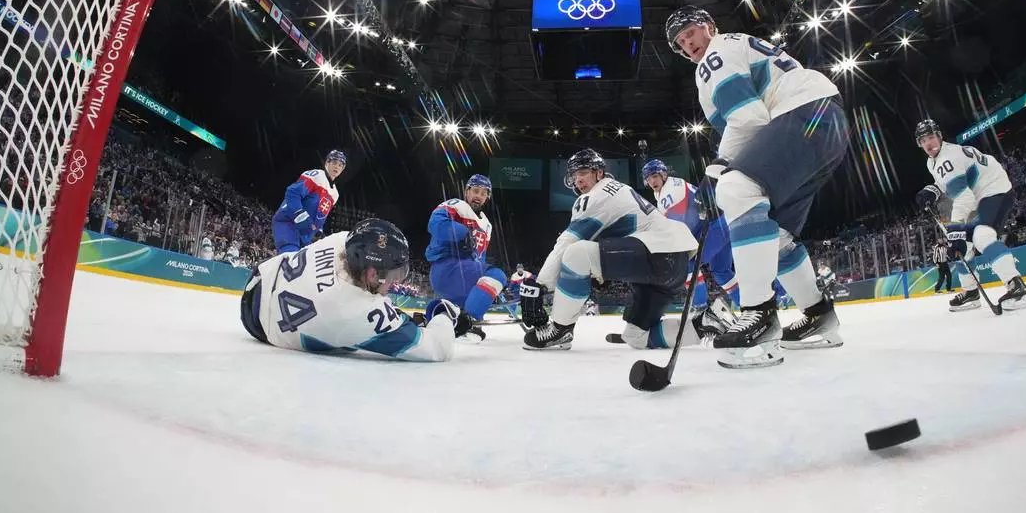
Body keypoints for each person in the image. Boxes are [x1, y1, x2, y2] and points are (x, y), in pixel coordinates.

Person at [665, 6, 849, 369]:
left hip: (802, 114)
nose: (688, 45)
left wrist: (716, 171)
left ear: (710, 26)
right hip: (826, 123)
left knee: (735, 189)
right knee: (776, 235)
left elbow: (748, 118)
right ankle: (818, 315)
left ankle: (759, 315)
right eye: (681, 43)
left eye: (691, 33)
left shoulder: (715, 53)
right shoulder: (734, 46)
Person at [521, 148, 729, 351]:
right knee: (636, 336)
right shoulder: (617, 189)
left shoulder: (596, 196)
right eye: (575, 176)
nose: (578, 180)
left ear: (599, 173)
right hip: (672, 265)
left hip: (659, 255)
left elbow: (567, 242)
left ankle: (560, 329)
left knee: (576, 253)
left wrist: (540, 285)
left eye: (583, 172)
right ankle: (705, 322)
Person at [240, 217, 464, 360]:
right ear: (372, 273)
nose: (394, 284)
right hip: (260, 326)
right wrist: (444, 315)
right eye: (393, 276)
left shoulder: (341, 240)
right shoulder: (359, 312)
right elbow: (437, 349)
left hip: (262, 276)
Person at [912, 119, 1026, 311]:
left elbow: (964, 197)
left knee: (982, 236)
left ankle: (1017, 288)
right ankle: (971, 292)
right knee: (965, 247)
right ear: (919, 144)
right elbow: (947, 182)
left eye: (931, 137)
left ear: (940, 136)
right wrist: (932, 190)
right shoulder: (932, 161)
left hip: (994, 189)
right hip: (981, 195)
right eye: (923, 140)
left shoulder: (948, 157)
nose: (928, 143)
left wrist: (954, 230)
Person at [642, 158, 739, 307]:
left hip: (714, 228)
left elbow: (678, 228)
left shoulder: (669, 192)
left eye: (654, 176)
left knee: (687, 264)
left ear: (664, 175)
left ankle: (701, 307)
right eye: (648, 179)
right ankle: (747, 306)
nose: (652, 181)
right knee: (721, 271)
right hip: (720, 224)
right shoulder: (666, 189)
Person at [425, 174, 506, 334]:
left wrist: (486, 287)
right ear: (466, 191)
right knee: (497, 275)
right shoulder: (457, 205)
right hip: (447, 268)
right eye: (475, 191)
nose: (478, 196)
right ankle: (471, 319)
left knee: (453, 319)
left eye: (483, 193)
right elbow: (435, 223)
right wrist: (462, 232)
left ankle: (453, 322)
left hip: (463, 274)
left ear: (487, 198)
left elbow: (480, 257)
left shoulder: (487, 225)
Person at [271, 150, 345, 254]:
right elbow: (293, 192)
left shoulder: (335, 194)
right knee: (290, 258)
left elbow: (321, 215)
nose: (337, 166)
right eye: (334, 162)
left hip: (306, 233)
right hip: (289, 223)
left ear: (342, 169)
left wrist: (318, 231)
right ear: (326, 163)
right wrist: (300, 216)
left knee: (306, 263)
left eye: (340, 165)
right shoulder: (317, 175)